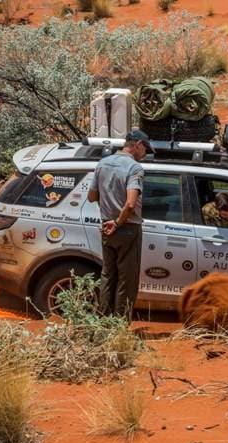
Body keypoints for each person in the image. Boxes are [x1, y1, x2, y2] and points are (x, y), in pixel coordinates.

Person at [88, 129, 151, 319]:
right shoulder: (134, 168)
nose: (145, 154)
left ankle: (103, 321)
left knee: (108, 275)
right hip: (126, 227)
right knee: (127, 279)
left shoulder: (102, 163)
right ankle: (119, 325)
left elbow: (91, 196)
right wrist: (117, 222)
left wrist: (108, 211)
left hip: (106, 226)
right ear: (137, 144)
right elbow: (131, 204)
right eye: (145, 149)